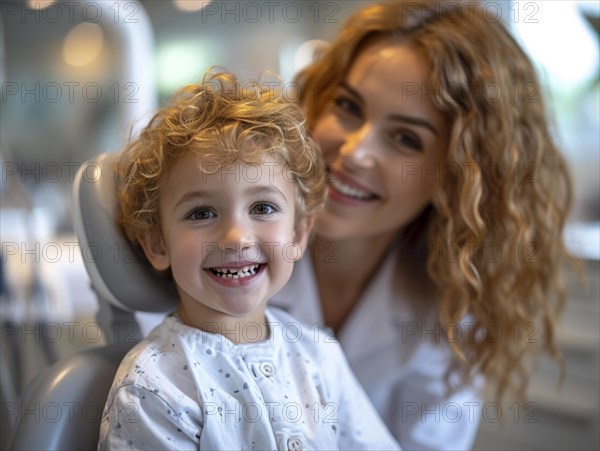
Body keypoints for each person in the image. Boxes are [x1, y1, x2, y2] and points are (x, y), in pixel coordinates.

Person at [270, 1, 577, 449]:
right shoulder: (229, 241)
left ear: (460, 176)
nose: (355, 152)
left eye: (406, 138)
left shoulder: (452, 312)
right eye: (348, 106)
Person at [97, 69, 400, 450]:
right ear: (158, 244)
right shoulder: (154, 387)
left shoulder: (319, 355)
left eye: (262, 206)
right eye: (202, 213)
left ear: (298, 234)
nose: (237, 237)